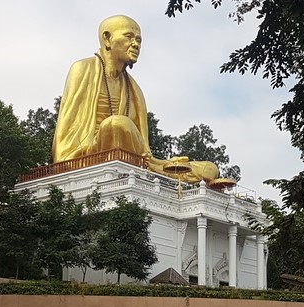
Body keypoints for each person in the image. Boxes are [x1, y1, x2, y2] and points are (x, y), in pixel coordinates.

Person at [52, 15, 218, 183]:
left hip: (134, 158)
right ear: (107, 38)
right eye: (129, 37)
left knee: (209, 168)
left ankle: (159, 170)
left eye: (139, 40)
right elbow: (66, 137)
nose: (136, 44)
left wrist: (158, 162)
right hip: (89, 155)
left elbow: (143, 148)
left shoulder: (134, 89)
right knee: (116, 123)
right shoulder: (82, 69)